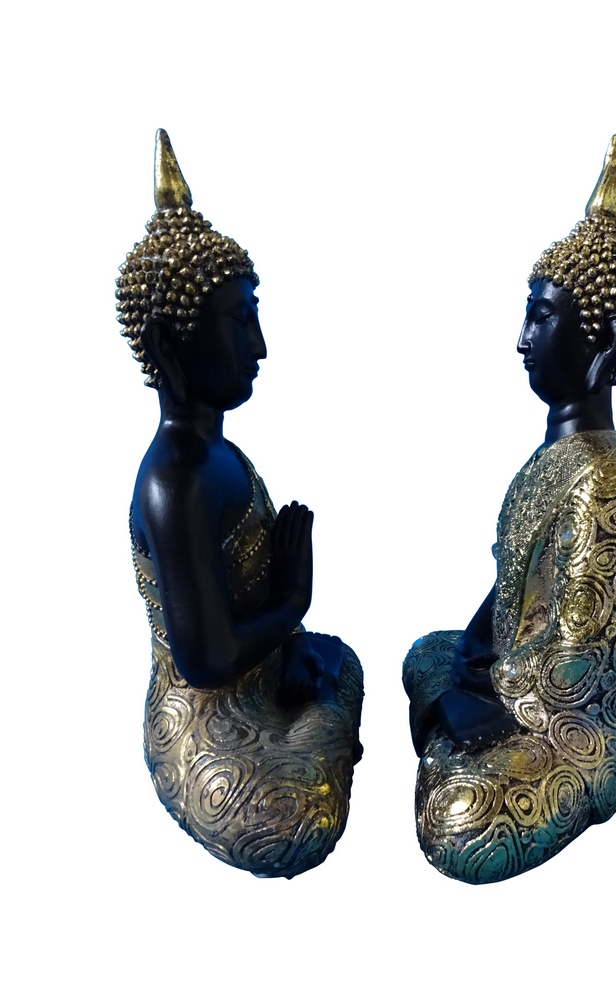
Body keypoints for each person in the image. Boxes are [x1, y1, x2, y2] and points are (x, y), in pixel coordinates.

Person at [403, 135, 616, 884]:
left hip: (568, 736)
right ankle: (449, 728)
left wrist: (478, 694)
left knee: (459, 822)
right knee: (427, 651)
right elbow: (515, 585)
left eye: (542, 318)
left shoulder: (608, 480)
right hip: (515, 686)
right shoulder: (552, 459)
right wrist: (467, 663)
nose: (522, 340)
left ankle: (450, 747)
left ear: (603, 338)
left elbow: (577, 666)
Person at [118, 130, 363, 879]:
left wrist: (290, 638)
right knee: (295, 824)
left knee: (339, 659)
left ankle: (312, 702)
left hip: (261, 678)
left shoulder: (220, 457)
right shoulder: (176, 481)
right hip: (206, 727)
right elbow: (205, 658)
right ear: (170, 342)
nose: (259, 346)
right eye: (239, 322)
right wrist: (291, 602)